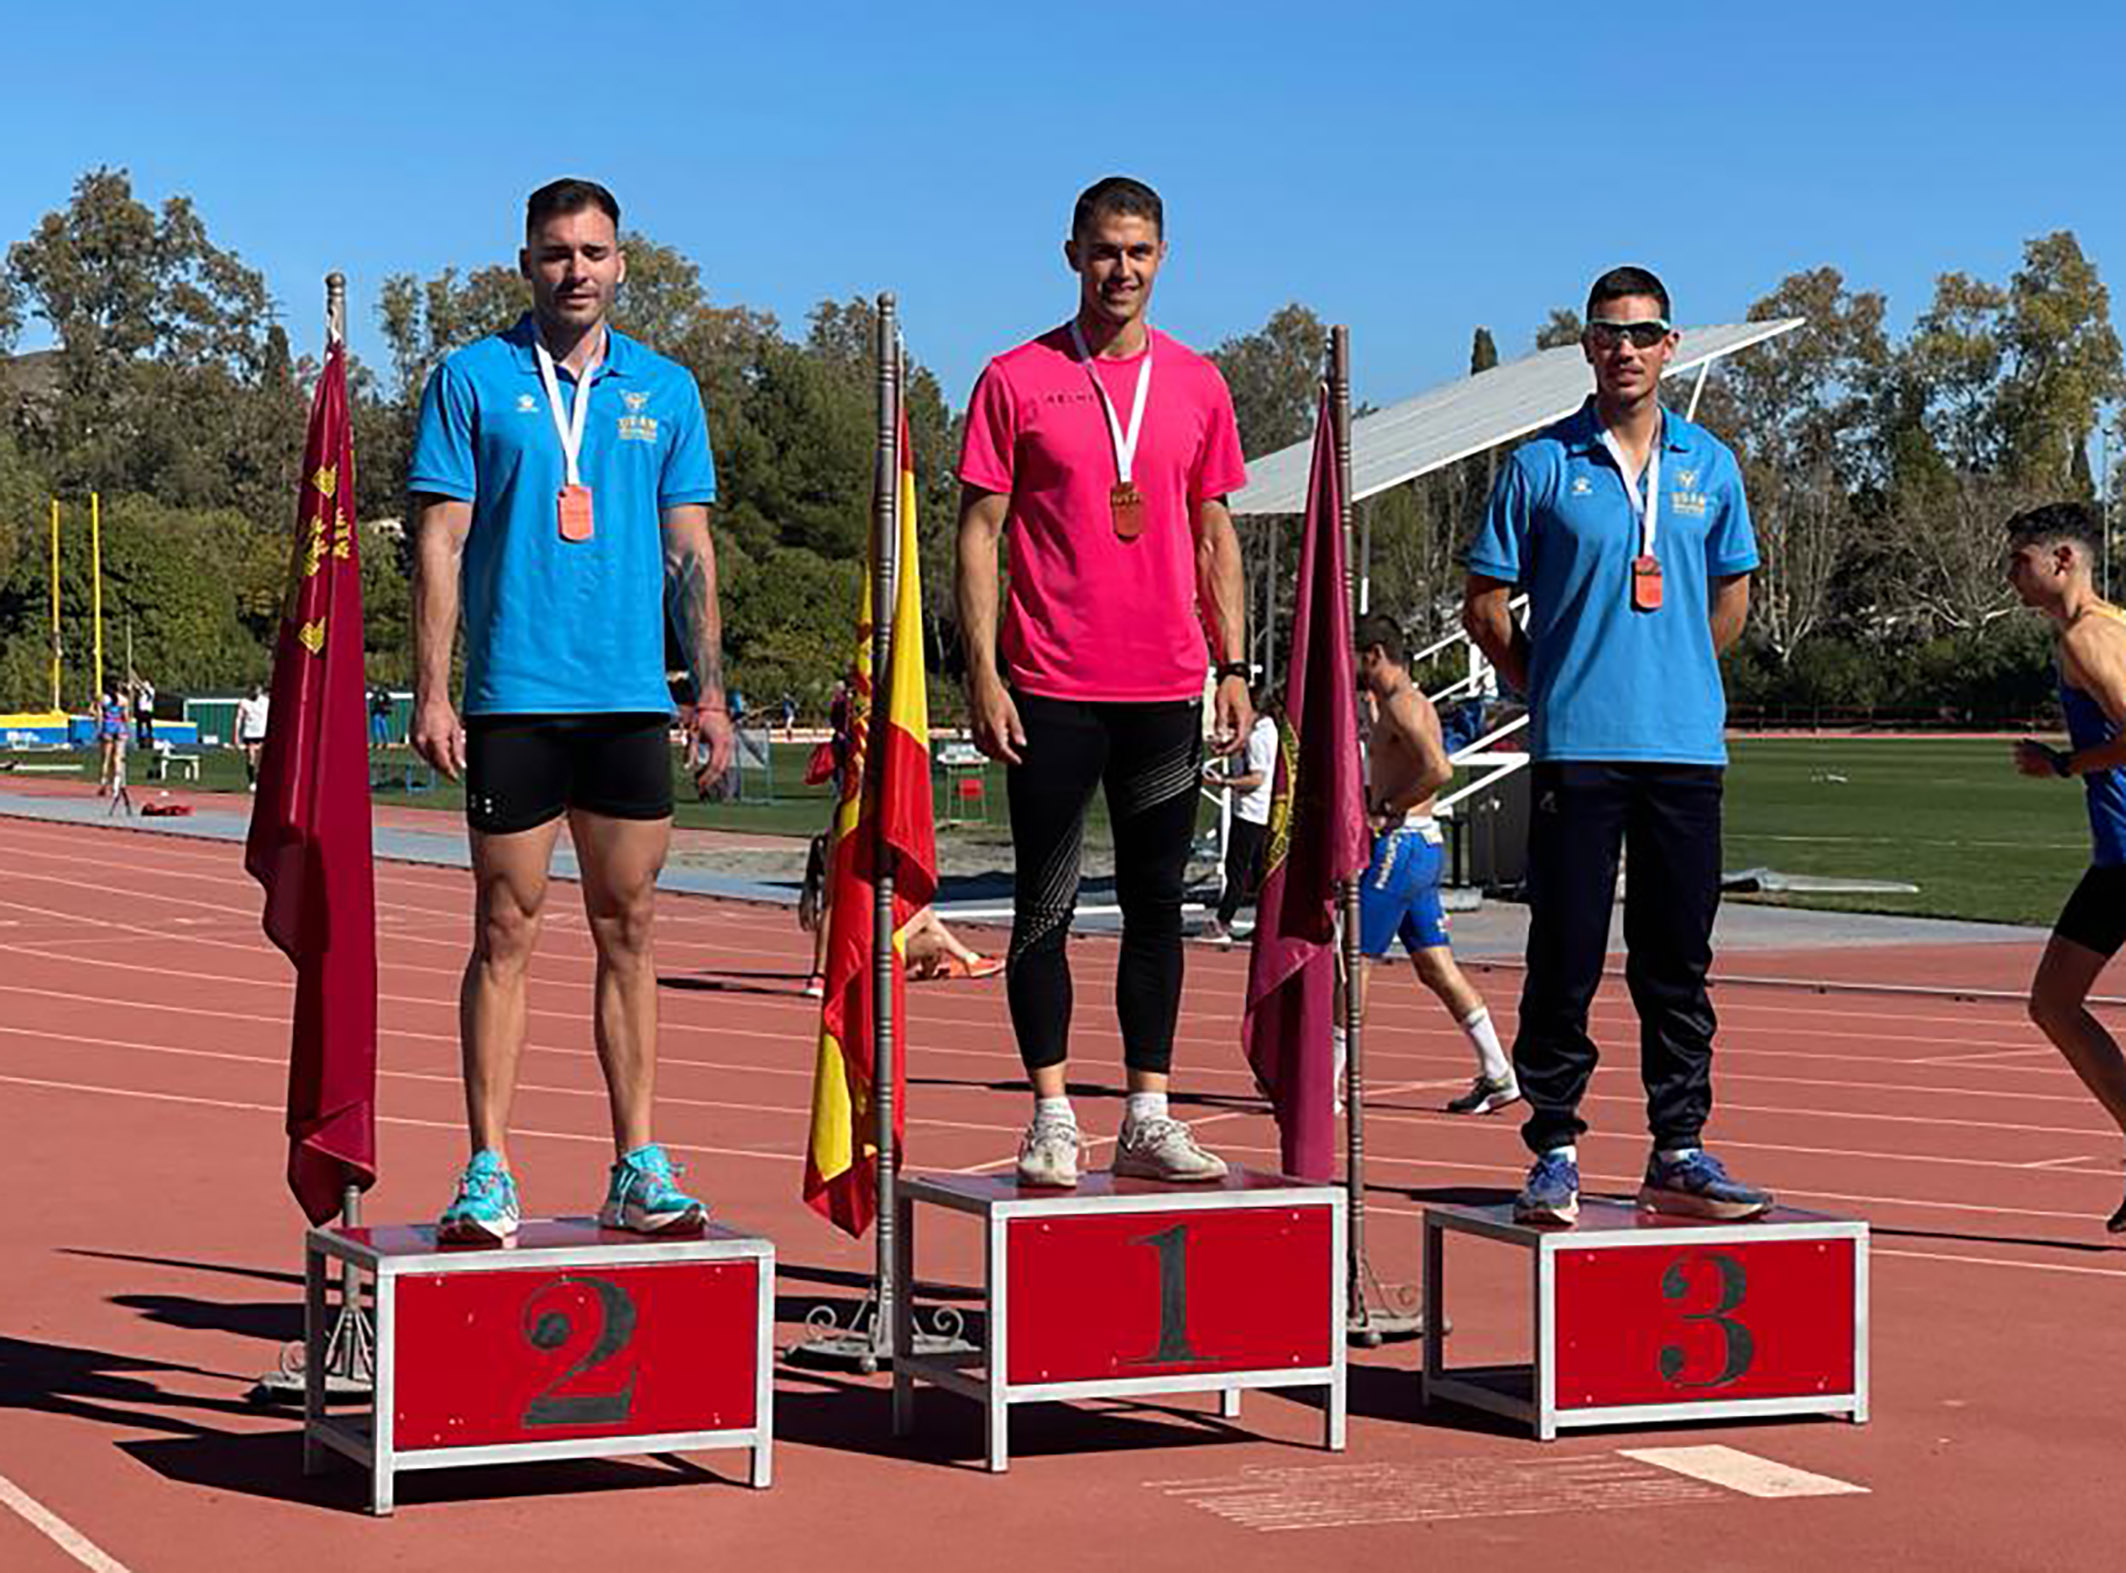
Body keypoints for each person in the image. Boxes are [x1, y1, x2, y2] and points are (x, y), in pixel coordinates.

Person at [409, 176, 734, 1244]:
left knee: (628, 927)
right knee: (504, 926)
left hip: (629, 700)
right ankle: (487, 1166)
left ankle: (637, 1162)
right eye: (556, 253)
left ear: (622, 264)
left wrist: (710, 693)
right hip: (515, 699)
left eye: (593, 252)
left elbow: (690, 550)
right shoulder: (471, 379)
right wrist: (433, 686)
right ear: (525, 265)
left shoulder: (667, 389)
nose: (575, 271)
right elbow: (441, 542)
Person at [956, 174, 1251, 1187]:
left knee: (1155, 905)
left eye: (1136, 252)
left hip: (1164, 687)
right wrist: (982, 671)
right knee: (1043, 905)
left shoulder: (1197, 385)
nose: (1118, 270)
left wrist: (1231, 664)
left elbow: (1214, 531)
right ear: (1071, 253)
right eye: (1102, 251)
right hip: (1048, 685)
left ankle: (1147, 1111)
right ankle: (1048, 1114)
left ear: (1161, 257)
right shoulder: (1014, 377)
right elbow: (979, 534)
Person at [1463, 265, 1768, 1227]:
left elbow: (1732, 598)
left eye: (1643, 333)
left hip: (1683, 749)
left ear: (1670, 346)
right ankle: (1554, 1143)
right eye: (1608, 333)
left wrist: (1673, 661)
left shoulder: (1710, 465)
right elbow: (1483, 605)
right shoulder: (1541, 466)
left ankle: (1677, 1146)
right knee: (1567, 951)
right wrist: (1547, 679)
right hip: (1577, 748)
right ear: (1587, 347)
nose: (1626, 349)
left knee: (1677, 958)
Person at [1328, 616, 1515, 1116]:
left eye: (1357, 659)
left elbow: (1440, 768)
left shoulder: (1404, 705)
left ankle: (1326, 1083)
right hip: (1421, 848)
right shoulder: (1399, 704)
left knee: (1353, 961)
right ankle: (1498, 1071)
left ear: (1375, 656)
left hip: (1400, 845)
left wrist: (1389, 808)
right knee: (1436, 967)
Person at [2006, 502, 2126, 1231]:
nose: (2010, 576)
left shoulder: (2087, 638)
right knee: (2053, 1001)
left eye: (2020, 561)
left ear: (2062, 560)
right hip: (2118, 855)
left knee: (2054, 1001)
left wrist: (2063, 764)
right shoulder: (2108, 623)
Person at [1200, 683, 1279, 944]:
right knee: (1257, 871)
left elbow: (1257, 778)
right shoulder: (1260, 730)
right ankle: (1265, 924)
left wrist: (1224, 782)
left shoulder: (1260, 737)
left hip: (1253, 812)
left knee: (1237, 868)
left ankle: (1223, 921)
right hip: (1256, 810)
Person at [234, 684, 270, 789]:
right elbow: (238, 719)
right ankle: (252, 781)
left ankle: (262, 779)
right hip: (250, 733)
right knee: (251, 758)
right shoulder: (244, 702)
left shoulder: (266, 702)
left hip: (262, 733)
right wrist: (236, 735)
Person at [96, 689, 128, 797]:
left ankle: (103, 784)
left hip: (108, 727)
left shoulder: (102, 699)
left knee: (105, 758)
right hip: (119, 727)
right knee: (117, 758)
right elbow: (125, 717)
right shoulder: (123, 700)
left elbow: (100, 716)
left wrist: (99, 730)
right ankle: (116, 785)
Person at [133, 677, 156, 749]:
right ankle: (139, 740)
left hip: (147, 710)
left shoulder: (151, 690)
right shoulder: (141, 690)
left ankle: (150, 739)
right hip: (141, 710)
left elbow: (149, 694)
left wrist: (142, 687)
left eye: (146, 683)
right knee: (139, 726)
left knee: (149, 725)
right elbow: (138, 692)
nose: (145, 684)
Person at [369, 684, 394, 749]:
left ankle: (381, 742)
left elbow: (389, 702)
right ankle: (381, 742)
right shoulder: (378, 695)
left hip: (379, 713)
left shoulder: (381, 695)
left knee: (379, 728)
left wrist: (386, 708)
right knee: (380, 728)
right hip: (379, 713)